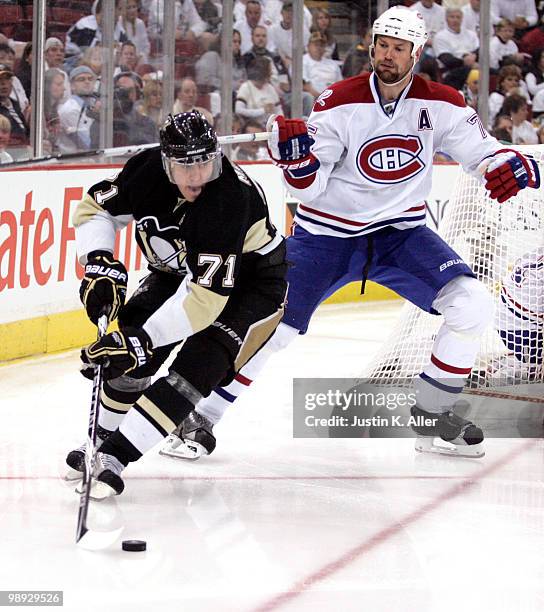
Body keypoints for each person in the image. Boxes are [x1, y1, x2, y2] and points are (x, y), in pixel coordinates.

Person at [163, 6, 541, 461]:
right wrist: (295, 161)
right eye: (382, 45)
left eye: (398, 48)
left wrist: (513, 164)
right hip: (326, 237)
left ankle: (432, 411)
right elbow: (307, 184)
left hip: (401, 234)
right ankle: (200, 415)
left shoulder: (442, 102)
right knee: (273, 327)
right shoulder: (338, 100)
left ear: (416, 53)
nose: (386, 55)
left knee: (471, 303)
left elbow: (482, 153)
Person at [64, 111, 287, 497]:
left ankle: (115, 458)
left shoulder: (228, 198)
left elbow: (204, 300)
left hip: (251, 284)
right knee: (128, 348)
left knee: (196, 367)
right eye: (186, 164)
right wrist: (99, 260)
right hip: (178, 274)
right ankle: (99, 443)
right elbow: (95, 209)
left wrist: (143, 340)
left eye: (205, 161)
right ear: (166, 161)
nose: (198, 175)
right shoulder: (146, 170)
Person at [489, 248, 543, 382]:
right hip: (523, 331)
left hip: (508, 321)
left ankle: (518, 360)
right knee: (535, 375)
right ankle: (509, 369)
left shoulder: (537, 251)